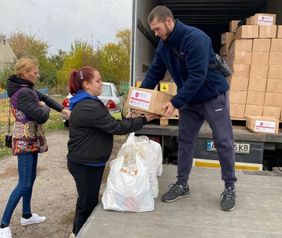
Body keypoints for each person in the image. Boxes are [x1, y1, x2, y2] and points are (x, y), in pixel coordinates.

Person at [140, 5, 237, 211]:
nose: (156, 34)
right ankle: (182, 183)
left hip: (212, 96)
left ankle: (229, 187)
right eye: (153, 31)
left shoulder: (196, 39)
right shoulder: (164, 46)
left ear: (169, 21)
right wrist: (139, 99)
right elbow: (154, 73)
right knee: (185, 141)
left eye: (157, 29)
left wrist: (175, 102)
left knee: (223, 141)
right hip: (190, 100)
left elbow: (197, 77)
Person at [67, 66, 158, 237]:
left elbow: (107, 122)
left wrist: (128, 119)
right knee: (86, 203)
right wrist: (143, 119)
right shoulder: (88, 106)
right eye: (98, 81)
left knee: (89, 201)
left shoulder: (89, 103)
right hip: (85, 164)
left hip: (88, 162)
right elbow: (114, 127)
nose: (101, 84)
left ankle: (79, 232)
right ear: (86, 84)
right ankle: (78, 233)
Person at [0, 57, 70, 238]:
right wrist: (44, 107)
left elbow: (44, 97)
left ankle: (27, 215)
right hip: (25, 140)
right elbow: (41, 116)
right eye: (35, 72)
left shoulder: (26, 88)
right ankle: (3, 225)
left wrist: (63, 110)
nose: (37, 75)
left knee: (30, 178)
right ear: (25, 73)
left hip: (30, 139)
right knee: (24, 182)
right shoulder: (23, 92)